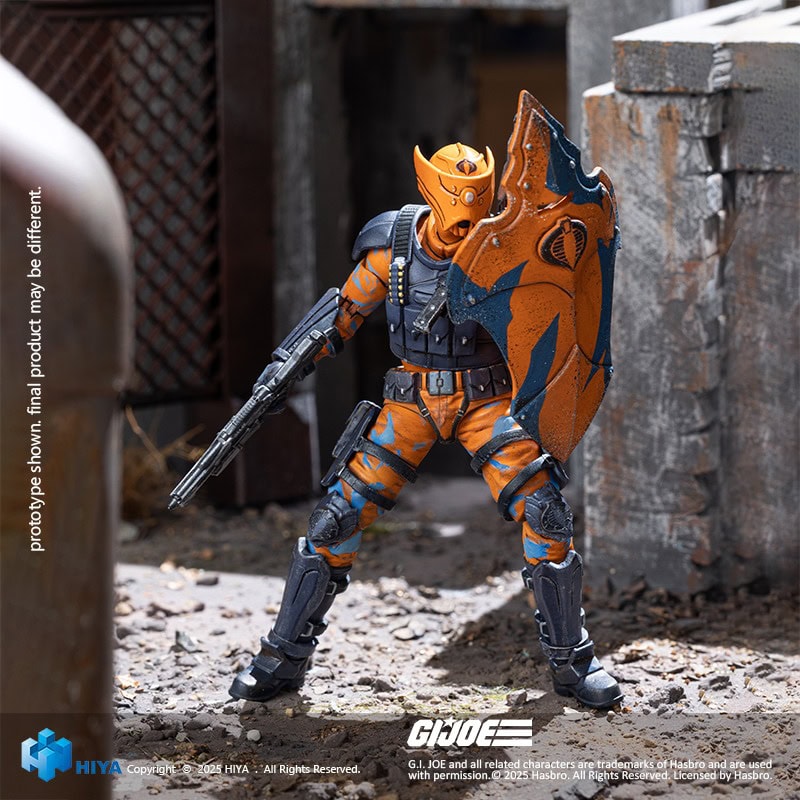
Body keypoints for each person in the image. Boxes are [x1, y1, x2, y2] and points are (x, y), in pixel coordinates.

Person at [228, 141, 623, 710]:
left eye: (475, 214)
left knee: (545, 512)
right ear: (431, 192)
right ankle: (281, 658)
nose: (466, 230)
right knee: (337, 517)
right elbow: (343, 313)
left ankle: (573, 663)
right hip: (411, 402)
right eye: (458, 217)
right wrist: (286, 366)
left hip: (487, 400)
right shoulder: (394, 249)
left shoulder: (502, 246)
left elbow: (554, 304)